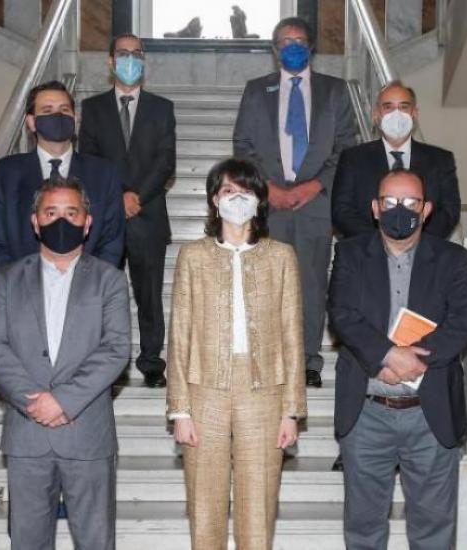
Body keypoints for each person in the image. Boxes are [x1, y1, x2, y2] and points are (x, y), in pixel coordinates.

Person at [0, 177, 130, 550]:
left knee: (96, 542)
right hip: (27, 434)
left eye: (71, 213)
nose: (61, 220)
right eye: (51, 212)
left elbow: (116, 348)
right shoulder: (8, 278)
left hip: (87, 434)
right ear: (35, 221)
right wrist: (34, 401)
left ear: (87, 223)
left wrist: (62, 400)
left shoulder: (109, 280)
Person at [328, 170, 467, 550]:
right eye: (390, 202)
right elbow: (342, 314)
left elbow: (462, 323)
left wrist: (413, 362)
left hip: (430, 414)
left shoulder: (453, 259)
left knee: (434, 530)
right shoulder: (349, 253)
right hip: (366, 413)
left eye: (411, 202)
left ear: (426, 210)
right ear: (375, 208)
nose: (400, 209)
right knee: (363, 529)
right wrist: (387, 355)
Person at [166, 158, 307, 550]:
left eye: (246, 191)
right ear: (215, 200)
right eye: (228, 190)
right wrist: (179, 409)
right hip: (203, 390)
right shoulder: (192, 256)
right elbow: (179, 334)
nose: (237, 198)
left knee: (258, 506)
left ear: (259, 200)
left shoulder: (281, 256)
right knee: (204, 505)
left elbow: (293, 335)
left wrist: (291, 410)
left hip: (265, 392)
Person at [233, 16, 357, 388]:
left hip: (315, 206)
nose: (293, 47)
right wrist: (267, 188)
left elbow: (346, 147)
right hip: (269, 204)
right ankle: (269, 361)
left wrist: (316, 185)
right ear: (275, 50)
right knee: (266, 284)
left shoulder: (335, 91)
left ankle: (308, 361)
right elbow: (242, 145)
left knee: (311, 286)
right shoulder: (257, 91)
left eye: (300, 40)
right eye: (286, 42)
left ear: (312, 47)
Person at [78, 33, 176, 389]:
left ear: (143, 61)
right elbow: (87, 161)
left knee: (149, 297)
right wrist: (118, 197)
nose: (130, 59)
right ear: (110, 61)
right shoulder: (92, 109)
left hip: (148, 217)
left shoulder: (162, 108)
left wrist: (137, 197)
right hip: (106, 218)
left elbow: (166, 162)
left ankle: (152, 363)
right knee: (103, 296)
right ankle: (106, 365)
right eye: (123, 53)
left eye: (137, 53)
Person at [0, 80, 125, 275]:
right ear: (31, 122)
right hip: (21, 289)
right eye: (47, 110)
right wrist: (18, 283)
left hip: (88, 289)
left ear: (75, 118)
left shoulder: (104, 174)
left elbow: (112, 242)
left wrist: (87, 284)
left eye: (64, 110)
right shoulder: (3, 174)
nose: (58, 116)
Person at [332, 81, 461, 240]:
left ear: (414, 113)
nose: (397, 114)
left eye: (404, 107)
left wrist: (416, 243)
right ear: (376, 115)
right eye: (388, 107)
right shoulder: (353, 159)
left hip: (425, 251)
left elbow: (450, 211)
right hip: (366, 250)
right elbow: (341, 211)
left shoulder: (441, 160)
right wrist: (380, 244)